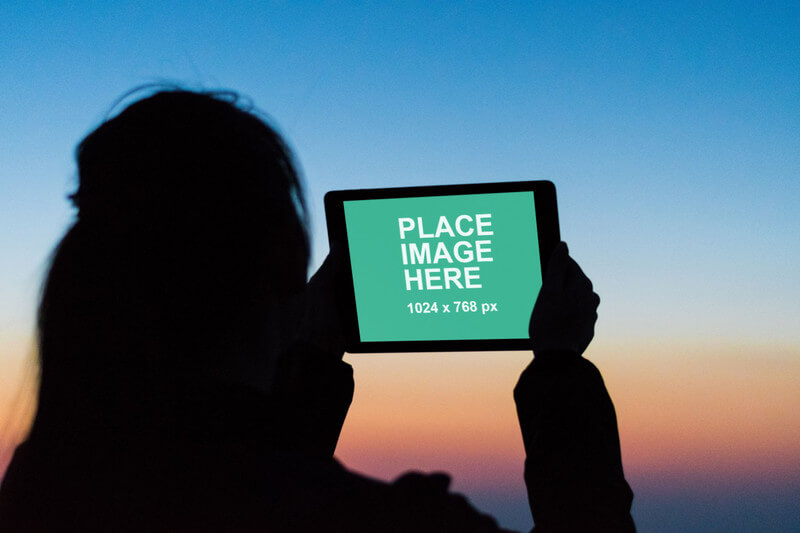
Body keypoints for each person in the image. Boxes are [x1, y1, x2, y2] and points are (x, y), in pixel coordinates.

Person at [0, 89, 634, 532]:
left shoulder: (38, 491)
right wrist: (558, 367)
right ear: (281, 263)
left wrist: (311, 359)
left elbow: (244, 488)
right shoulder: (389, 523)